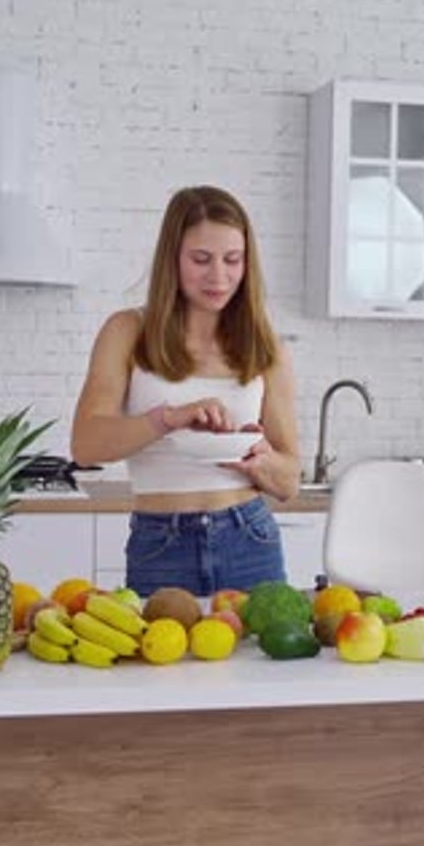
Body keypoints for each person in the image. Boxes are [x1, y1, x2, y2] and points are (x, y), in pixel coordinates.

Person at [71, 184, 301, 596]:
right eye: (201, 259)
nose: (219, 276)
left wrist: (260, 463)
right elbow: (86, 446)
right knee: (162, 659)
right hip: (161, 544)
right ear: (172, 259)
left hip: (249, 537)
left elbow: (289, 482)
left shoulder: (266, 348)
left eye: (233, 260)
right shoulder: (127, 332)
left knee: (255, 661)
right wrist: (169, 419)